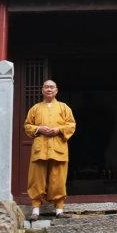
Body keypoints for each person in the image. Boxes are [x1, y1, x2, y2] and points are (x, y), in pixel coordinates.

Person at [24, 80, 76, 220]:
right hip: (40, 149)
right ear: (42, 90)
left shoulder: (64, 107)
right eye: (46, 87)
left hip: (58, 148)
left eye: (51, 87)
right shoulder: (35, 108)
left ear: (56, 90)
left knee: (58, 179)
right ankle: (35, 210)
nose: (49, 89)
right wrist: (38, 129)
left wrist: (58, 129)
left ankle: (59, 210)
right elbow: (27, 126)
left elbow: (71, 125)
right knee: (36, 179)